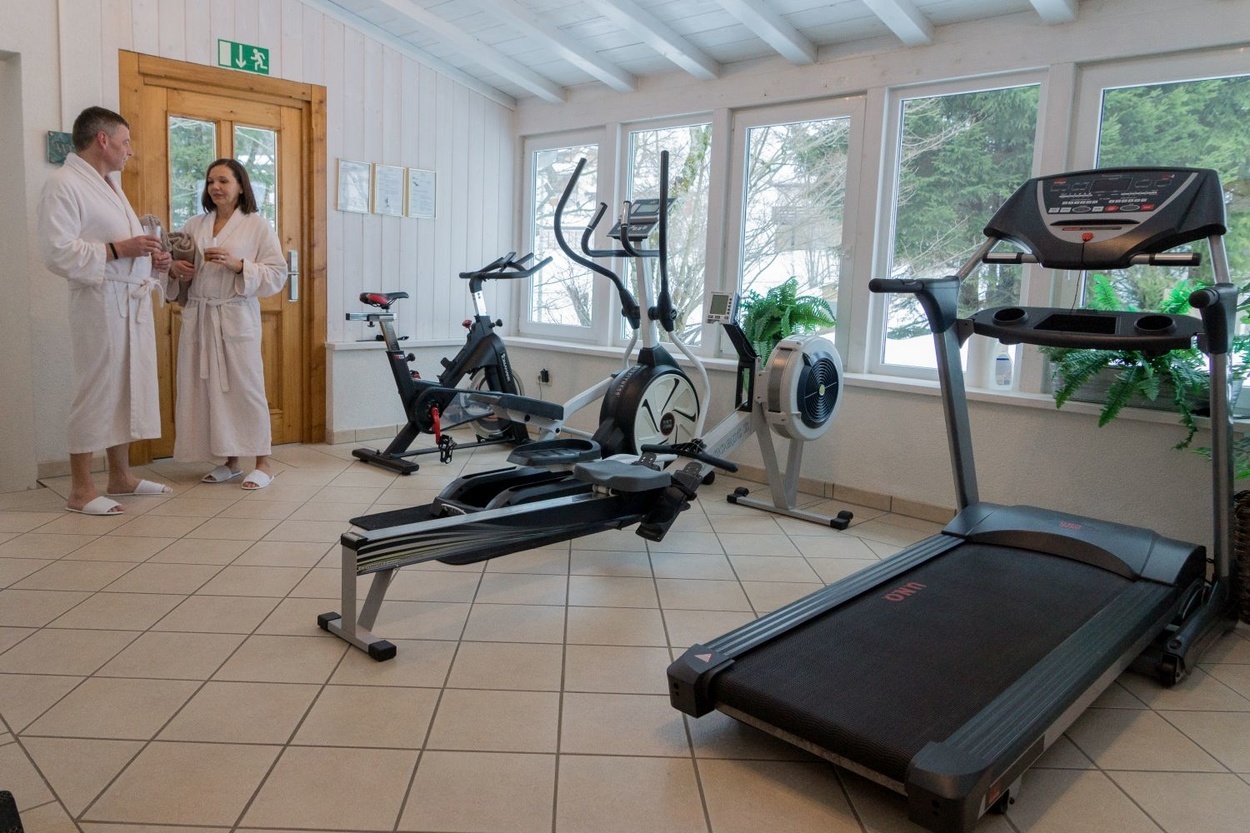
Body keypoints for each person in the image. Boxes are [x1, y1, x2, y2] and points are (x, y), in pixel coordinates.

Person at [37, 106, 173, 515]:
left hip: (129, 300)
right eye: (125, 141)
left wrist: (153, 260)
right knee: (96, 389)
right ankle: (81, 489)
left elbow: (124, 248)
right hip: (98, 302)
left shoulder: (110, 185)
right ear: (103, 140)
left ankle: (120, 477)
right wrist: (119, 249)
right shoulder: (63, 184)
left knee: (127, 386)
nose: (129, 150)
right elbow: (56, 251)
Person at [165, 159, 287, 489]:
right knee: (210, 393)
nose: (215, 187)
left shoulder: (257, 226)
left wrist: (239, 265)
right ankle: (230, 462)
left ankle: (263, 462)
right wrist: (176, 269)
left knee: (247, 390)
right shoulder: (194, 224)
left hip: (235, 317)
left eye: (223, 181)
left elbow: (277, 274)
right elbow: (175, 270)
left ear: (241, 186)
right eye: (210, 182)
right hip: (201, 317)